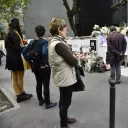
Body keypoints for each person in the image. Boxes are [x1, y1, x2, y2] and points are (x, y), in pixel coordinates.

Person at [49, 18, 78, 128]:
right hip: (64, 77)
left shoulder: (53, 41)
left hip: (61, 76)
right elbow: (73, 61)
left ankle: (65, 119)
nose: (67, 31)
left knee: (63, 101)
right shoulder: (59, 44)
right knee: (65, 102)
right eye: (65, 29)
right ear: (59, 30)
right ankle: (63, 124)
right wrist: (75, 58)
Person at [22, 25, 57, 109]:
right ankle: (48, 103)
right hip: (44, 67)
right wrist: (44, 63)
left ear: (36, 33)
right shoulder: (44, 42)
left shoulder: (32, 42)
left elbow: (23, 52)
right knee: (46, 84)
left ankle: (40, 100)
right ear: (44, 32)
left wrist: (30, 61)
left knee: (38, 83)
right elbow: (45, 53)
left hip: (35, 66)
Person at [5, 18, 32, 103]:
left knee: (14, 77)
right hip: (16, 58)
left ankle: (19, 93)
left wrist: (22, 43)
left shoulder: (9, 33)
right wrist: (26, 47)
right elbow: (18, 48)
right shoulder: (15, 33)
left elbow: (12, 45)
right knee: (19, 76)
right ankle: (20, 94)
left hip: (11, 58)